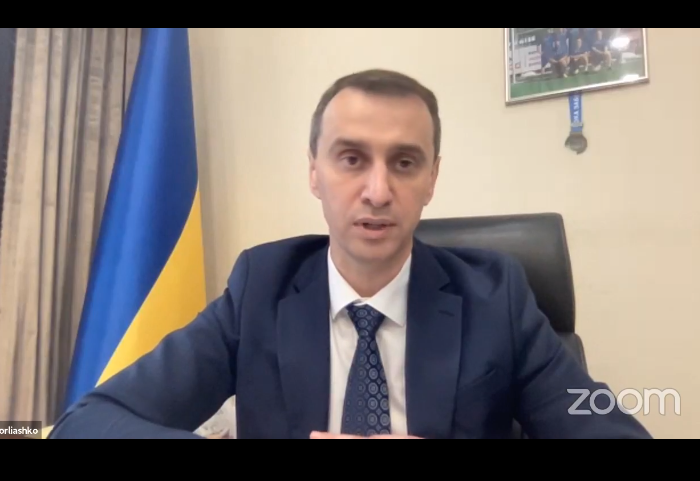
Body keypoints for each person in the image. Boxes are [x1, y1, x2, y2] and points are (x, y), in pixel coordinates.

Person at [49, 69, 652, 439]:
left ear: (432, 179)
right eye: (351, 159)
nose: (378, 191)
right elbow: (88, 423)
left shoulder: (498, 296)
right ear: (314, 172)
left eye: (405, 162)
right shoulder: (261, 288)